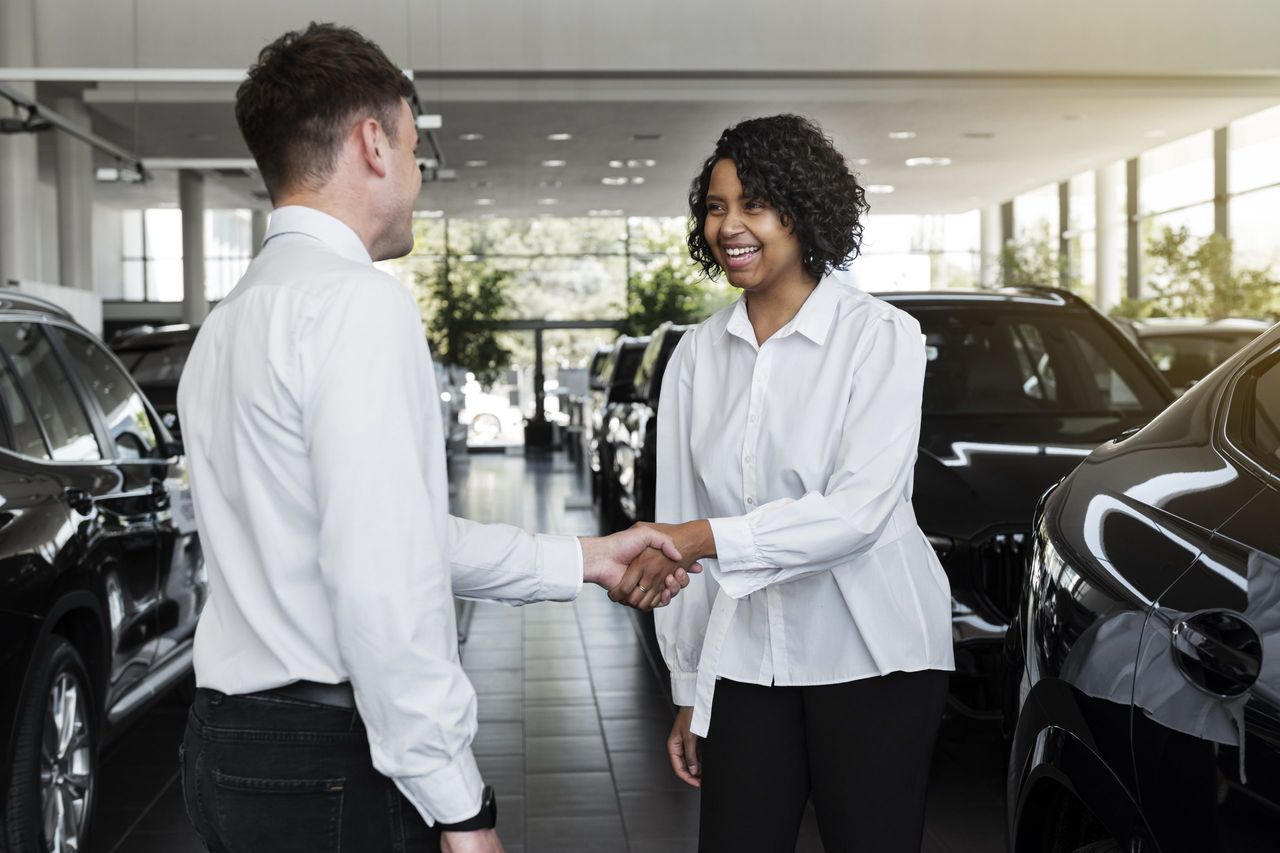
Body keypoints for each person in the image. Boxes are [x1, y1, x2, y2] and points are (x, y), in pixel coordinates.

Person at [177, 23, 692, 853]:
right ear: (373, 143)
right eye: (417, 150)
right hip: (334, 762)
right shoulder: (356, 303)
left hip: (228, 747)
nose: (419, 178)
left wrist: (585, 558)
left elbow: (389, 537)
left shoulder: (228, 323)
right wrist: (459, 804)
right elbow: (381, 581)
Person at [611, 114, 956, 852]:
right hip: (743, 657)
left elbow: (857, 513)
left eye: (752, 204)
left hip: (876, 652)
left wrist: (705, 538)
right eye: (714, 206)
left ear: (802, 212)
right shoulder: (697, 356)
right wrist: (686, 691)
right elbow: (678, 524)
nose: (727, 225)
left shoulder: (880, 335)